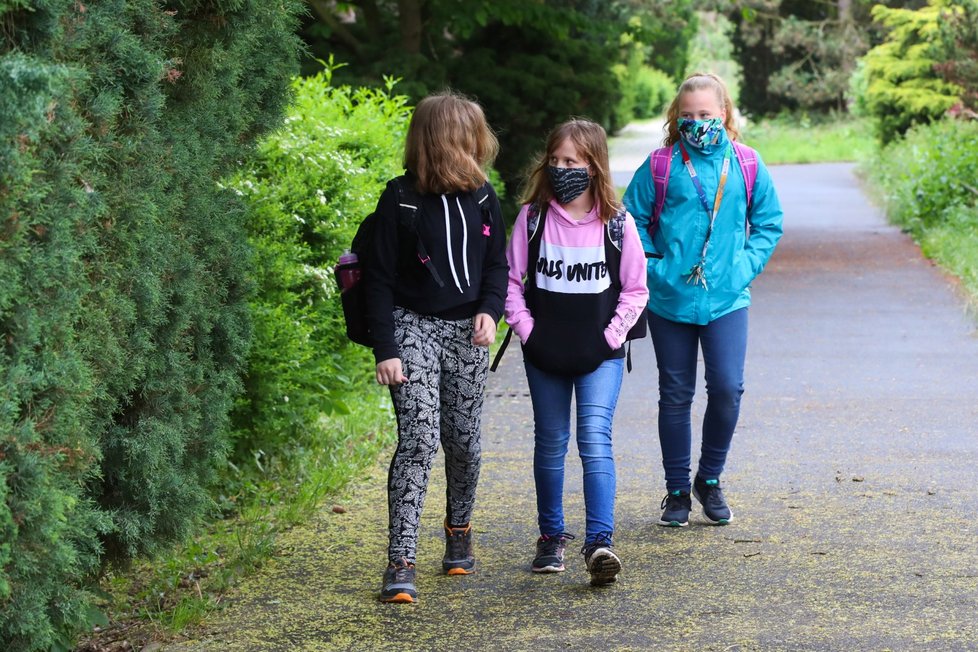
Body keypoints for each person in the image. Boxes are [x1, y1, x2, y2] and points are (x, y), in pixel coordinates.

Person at [364, 92, 508, 603]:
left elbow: (497, 265)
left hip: (468, 331)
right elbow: (377, 279)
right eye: (470, 135)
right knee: (419, 440)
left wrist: (491, 309)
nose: (479, 144)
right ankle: (400, 560)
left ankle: (459, 530)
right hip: (411, 328)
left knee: (464, 443)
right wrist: (386, 347)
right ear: (444, 140)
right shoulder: (399, 198)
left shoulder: (484, 196)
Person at [623, 73, 783, 528]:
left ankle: (708, 479)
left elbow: (768, 222)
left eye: (706, 115)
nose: (698, 123)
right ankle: (676, 491)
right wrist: (655, 269)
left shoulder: (748, 164)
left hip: (727, 299)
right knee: (675, 395)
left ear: (724, 114)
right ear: (677, 118)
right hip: (670, 300)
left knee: (728, 389)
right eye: (688, 116)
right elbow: (630, 220)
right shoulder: (660, 165)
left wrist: (743, 268)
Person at [504, 119, 648, 586]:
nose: (563, 169)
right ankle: (551, 538)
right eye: (557, 160)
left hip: (600, 356)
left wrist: (608, 339)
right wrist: (527, 332)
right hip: (544, 351)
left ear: (594, 165)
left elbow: (636, 291)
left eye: (574, 161)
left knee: (594, 439)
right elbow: (510, 283)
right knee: (550, 443)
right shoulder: (532, 219)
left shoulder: (618, 226)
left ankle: (599, 542)